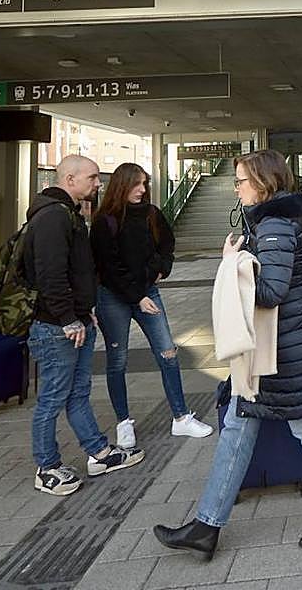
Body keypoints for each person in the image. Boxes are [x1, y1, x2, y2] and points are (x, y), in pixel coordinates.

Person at [153, 150, 302, 557]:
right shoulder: (270, 221)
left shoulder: (276, 226)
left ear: (263, 182)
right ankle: (207, 525)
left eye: (241, 180)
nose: (236, 188)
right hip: (274, 349)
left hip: (286, 352)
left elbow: (270, 292)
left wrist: (232, 264)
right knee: (235, 427)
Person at [24, 154, 145, 497]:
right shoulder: (52, 217)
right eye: (92, 177)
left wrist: (81, 311)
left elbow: (73, 271)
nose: (97, 183)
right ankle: (47, 467)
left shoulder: (67, 214)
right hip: (56, 327)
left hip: (72, 321)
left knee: (77, 392)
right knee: (52, 397)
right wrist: (66, 317)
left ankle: (100, 452)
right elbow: (51, 274)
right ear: (70, 178)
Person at [90, 162, 213, 450]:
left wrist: (162, 268)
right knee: (117, 361)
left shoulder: (151, 214)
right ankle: (123, 423)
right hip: (114, 298)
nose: (142, 190)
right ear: (122, 185)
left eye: (144, 184)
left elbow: (167, 245)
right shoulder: (104, 221)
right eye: (136, 184)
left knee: (168, 352)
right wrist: (137, 297)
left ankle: (181, 417)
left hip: (147, 293)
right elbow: (109, 268)